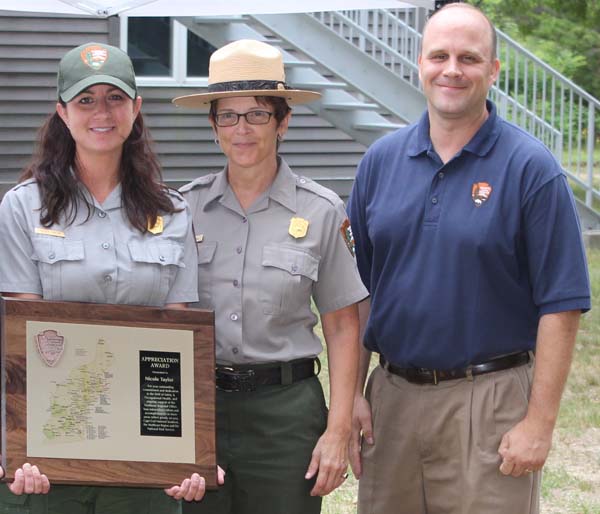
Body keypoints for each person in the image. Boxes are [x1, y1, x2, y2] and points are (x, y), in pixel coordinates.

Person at [347, 3, 591, 514]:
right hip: (392, 400)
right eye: (439, 55)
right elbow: (362, 290)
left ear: (493, 70)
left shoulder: (531, 169)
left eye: (469, 58)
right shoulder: (380, 163)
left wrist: (539, 424)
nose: (452, 69)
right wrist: (352, 394)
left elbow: (562, 306)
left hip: (491, 401)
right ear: (420, 63)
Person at [0, 41, 208, 514]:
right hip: (48, 453)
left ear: (136, 108)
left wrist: (190, 449)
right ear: (62, 112)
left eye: (115, 98)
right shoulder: (22, 207)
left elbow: (177, 337)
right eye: (85, 100)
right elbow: (22, 334)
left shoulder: (172, 211)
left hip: (144, 452)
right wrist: (19, 442)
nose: (102, 112)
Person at [173, 39, 368, 514]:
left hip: (286, 415)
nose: (242, 129)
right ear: (214, 125)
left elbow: (344, 326)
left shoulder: (321, 211)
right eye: (228, 115)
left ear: (283, 121)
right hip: (201, 409)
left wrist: (338, 429)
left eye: (258, 114)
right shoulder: (183, 210)